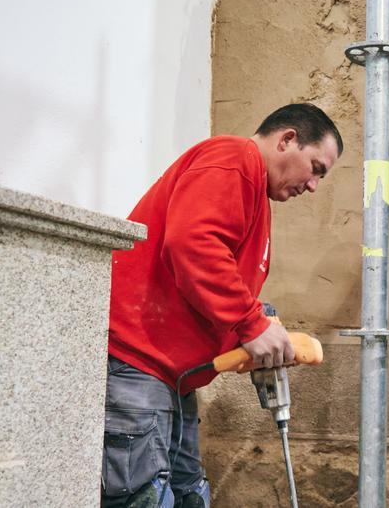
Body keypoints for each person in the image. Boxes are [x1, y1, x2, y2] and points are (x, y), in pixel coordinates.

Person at [102, 103, 343, 507]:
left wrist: (258, 323)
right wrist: (251, 324)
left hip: (170, 376)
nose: (314, 185)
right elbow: (193, 244)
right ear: (287, 140)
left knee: (187, 495)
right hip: (140, 364)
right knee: (144, 499)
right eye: (316, 168)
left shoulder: (252, 192)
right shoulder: (232, 159)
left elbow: (210, 277)